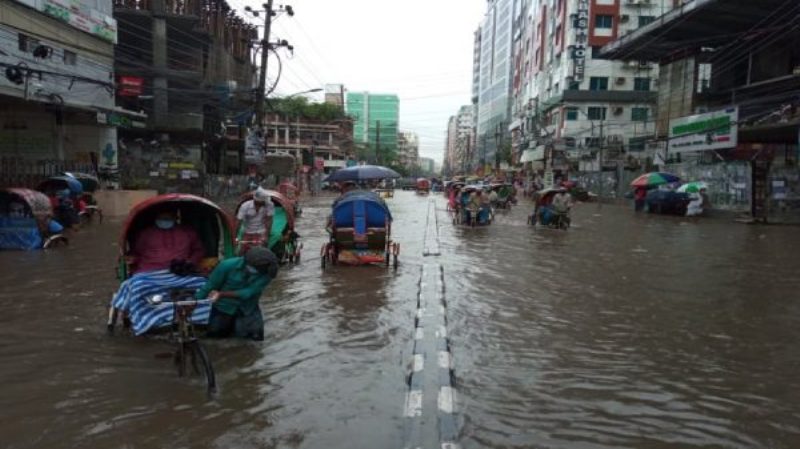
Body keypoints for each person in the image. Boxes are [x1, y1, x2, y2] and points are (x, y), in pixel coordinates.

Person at [196, 246, 279, 340]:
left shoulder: (267, 273)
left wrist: (221, 294)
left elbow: (248, 293)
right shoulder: (227, 266)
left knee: (254, 341)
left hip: (248, 309)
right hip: (223, 308)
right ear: (248, 263)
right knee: (215, 339)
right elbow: (209, 286)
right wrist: (194, 302)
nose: (258, 273)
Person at [127, 209, 205, 274]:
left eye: (168, 218)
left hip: (180, 272)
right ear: (156, 218)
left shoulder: (188, 232)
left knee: (202, 285)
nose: (164, 220)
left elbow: (198, 250)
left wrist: (190, 262)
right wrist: (132, 259)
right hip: (149, 272)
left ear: (175, 218)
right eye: (161, 218)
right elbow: (136, 253)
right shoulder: (145, 234)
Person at [236, 187, 274, 254]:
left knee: (261, 252)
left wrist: (266, 235)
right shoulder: (245, 206)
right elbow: (238, 221)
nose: (265, 202)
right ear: (258, 201)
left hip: (261, 231)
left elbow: (269, 220)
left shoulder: (269, 205)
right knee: (241, 251)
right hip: (248, 231)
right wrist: (235, 236)